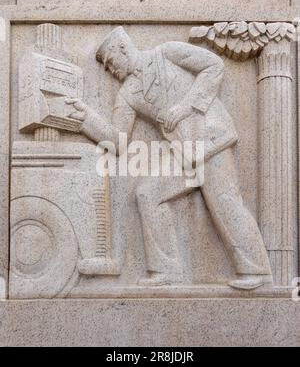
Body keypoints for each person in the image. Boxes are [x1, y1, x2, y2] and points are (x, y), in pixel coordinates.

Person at [66, 26, 272, 290]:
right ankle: (168, 271)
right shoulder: (127, 94)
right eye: (106, 67)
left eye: (110, 62)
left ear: (123, 49)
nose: (110, 69)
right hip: (185, 153)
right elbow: (117, 140)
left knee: (225, 201)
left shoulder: (167, 52)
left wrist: (187, 106)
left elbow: (213, 65)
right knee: (148, 194)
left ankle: (259, 273)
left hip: (211, 138)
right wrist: (85, 119)